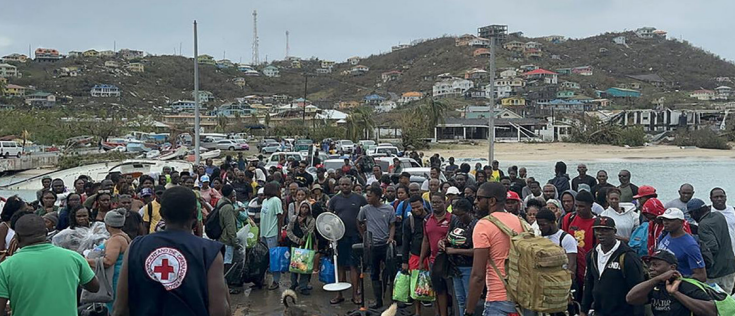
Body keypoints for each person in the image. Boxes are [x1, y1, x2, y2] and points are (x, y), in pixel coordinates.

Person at [112, 186, 229, 316]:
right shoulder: (209, 251)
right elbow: (219, 311)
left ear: (161, 213)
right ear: (195, 213)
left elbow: (120, 308)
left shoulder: (135, 246)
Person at [0, 214, 100, 316]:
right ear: (47, 232)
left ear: (16, 237)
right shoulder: (74, 258)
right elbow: (95, 287)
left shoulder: (6, 267)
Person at [465, 182, 525, 316]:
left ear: (492, 201)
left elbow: (478, 276)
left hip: (499, 300)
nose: (475, 202)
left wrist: (469, 311)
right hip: (523, 297)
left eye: (479, 198)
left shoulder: (484, 225)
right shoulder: (518, 221)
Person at [580, 216, 645, 316]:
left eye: (605, 230)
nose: (601, 234)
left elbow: (638, 289)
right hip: (599, 311)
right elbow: (589, 284)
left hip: (623, 312)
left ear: (614, 231)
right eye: (597, 230)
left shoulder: (628, 256)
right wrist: (584, 310)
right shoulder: (592, 255)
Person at [626, 249, 717, 316]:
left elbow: (711, 311)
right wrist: (657, 279)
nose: (651, 268)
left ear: (672, 268)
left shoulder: (686, 285)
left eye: (656, 265)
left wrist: (675, 293)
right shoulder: (656, 286)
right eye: (650, 264)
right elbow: (631, 298)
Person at [328, 177, 367, 304]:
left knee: (354, 266)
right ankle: (339, 294)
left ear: (352, 185)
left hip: (355, 237)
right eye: (342, 184)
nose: (345, 186)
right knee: (340, 266)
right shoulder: (334, 200)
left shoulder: (359, 198)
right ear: (339, 186)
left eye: (347, 184)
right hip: (339, 238)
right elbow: (328, 217)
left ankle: (355, 294)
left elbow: (367, 215)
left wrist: (363, 231)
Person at [357, 186, 396, 309]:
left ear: (378, 197)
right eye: (367, 195)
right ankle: (378, 301)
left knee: (391, 272)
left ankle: (393, 300)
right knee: (374, 273)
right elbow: (358, 221)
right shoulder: (365, 209)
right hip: (372, 246)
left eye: (370, 196)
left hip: (385, 245)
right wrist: (364, 236)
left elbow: (392, 225)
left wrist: (391, 238)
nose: (367, 198)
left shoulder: (389, 209)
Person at [420, 192, 457, 316]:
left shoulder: (452, 219)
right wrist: (421, 260)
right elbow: (426, 240)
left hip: (450, 261)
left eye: (438, 202)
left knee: (453, 291)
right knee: (439, 291)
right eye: (433, 202)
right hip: (433, 261)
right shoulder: (427, 219)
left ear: (445, 202)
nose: (435, 205)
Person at [87, 209, 130, 313]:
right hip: (121, 278)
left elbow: (108, 261)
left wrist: (86, 261)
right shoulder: (124, 236)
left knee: (115, 309)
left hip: (115, 280)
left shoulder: (116, 240)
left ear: (107, 224)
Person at [688, 198, 735, 293]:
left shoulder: (703, 224)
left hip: (716, 272)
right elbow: (716, 232)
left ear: (696, 212)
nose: (691, 216)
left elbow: (712, 247)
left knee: (714, 302)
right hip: (729, 267)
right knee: (728, 300)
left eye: (691, 213)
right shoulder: (719, 215)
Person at [441, 198, 476, 316]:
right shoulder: (456, 221)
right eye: (456, 215)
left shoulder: (476, 225)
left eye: (461, 215)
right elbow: (448, 237)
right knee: (460, 299)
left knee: (469, 300)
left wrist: (455, 251)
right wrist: (443, 242)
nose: (458, 217)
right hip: (455, 267)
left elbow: (478, 251)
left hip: (469, 267)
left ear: (469, 212)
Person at [656, 208, 707, 282]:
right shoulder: (665, 234)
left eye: (670, 220)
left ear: (681, 222)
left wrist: (679, 279)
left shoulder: (690, 246)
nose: (665, 222)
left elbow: (701, 276)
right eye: (664, 219)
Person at [562, 190, 597, 290]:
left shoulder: (596, 222)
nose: (578, 209)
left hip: (588, 264)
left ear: (590, 205)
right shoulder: (568, 218)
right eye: (576, 206)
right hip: (572, 262)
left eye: (581, 206)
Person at [401, 195, 430, 316]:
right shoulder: (409, 221)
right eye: (413, 208)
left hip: (431, 257)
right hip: (415, 256)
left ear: (423, 204)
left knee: (433, 285)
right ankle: (418, 312)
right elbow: (405, 241)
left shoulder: (431, 218)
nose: (416, 210)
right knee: (416, 286)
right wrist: (404, 261)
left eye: (418, 206)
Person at [536, 207, 577, 276]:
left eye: (543, 225)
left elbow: (572, 264)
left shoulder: (566, 238)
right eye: (539, 225)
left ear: (552, 222)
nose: (540, 228)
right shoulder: (540, 238)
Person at [286, 201, 315, 295]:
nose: (304, 209)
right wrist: (297, 240)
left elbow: (310, 233)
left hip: (306, 245)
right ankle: (294, 283)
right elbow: (289, 231)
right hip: (295, 244)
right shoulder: (294, 218)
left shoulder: (311, 220)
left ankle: (303, 286)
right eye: (303, 207)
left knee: (304, 266)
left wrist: (303, 226)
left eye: (306, 208)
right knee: (294, 265)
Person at [260, 182, 284, 290]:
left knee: (274, 258)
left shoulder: (276, 200)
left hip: (272, 233)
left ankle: (276, 281)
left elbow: (280, 217)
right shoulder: (265, 201)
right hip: (264, 233)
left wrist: (279, 234)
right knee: (264, 258)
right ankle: (262, 279)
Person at [217, 185, 238, 272]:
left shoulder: (221, 201)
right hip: (226, 238)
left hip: (220, 235)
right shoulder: (228, 207)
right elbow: (230, 225)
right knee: (227, 261)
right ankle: (225, 281)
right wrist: (234, 241)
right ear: (231, 194)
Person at [710, 187, 735, 256]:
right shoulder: (708, 213)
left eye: (721, 196)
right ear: (711, 199)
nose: (719, 199)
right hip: (719, 254)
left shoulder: (733, 211)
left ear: (726, 198)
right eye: (716, 197)